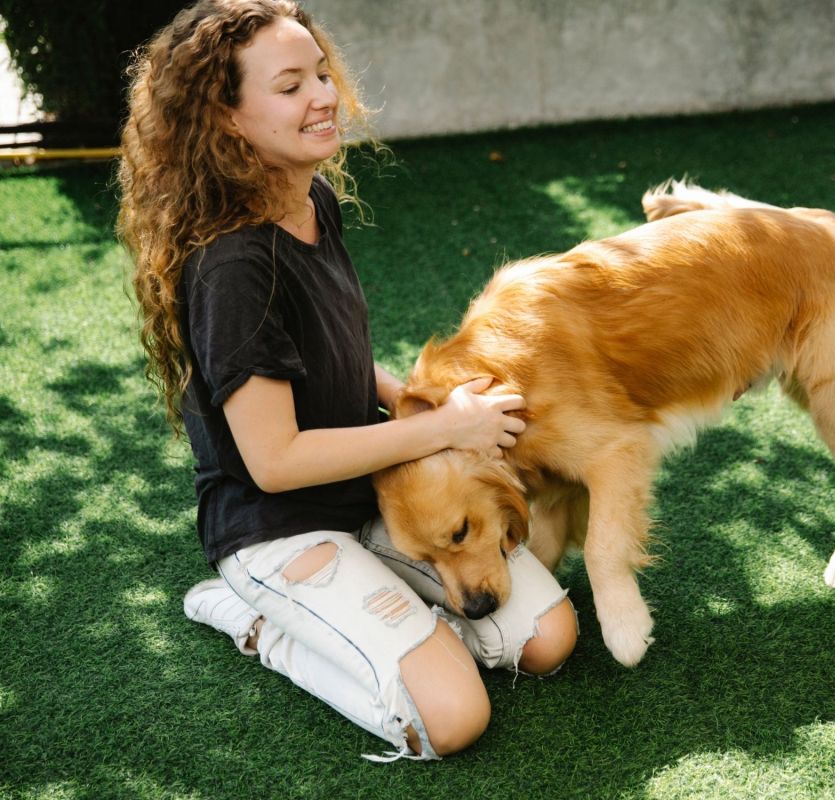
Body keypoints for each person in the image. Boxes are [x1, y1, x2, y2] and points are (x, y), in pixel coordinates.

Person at [117, 0, 576, 761]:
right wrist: (443, 428)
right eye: (290, 86)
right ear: (226, 119)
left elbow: (330, 351)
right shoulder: (235, 264)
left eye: (322, 74)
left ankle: (384, 627)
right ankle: (256, 622)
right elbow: (275, 460)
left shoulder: (310, 200)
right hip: (276, 526)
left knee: (547, 640)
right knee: (452, 719)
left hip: (368, 492)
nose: (324, 96)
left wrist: (410, 399)